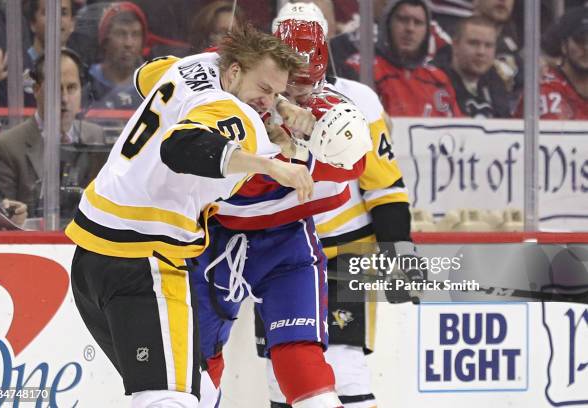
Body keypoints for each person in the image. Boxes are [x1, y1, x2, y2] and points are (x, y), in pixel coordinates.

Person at [66, 24, 312, 408]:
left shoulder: (189, 67)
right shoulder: (234, 114)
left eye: (277, 93)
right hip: (145, 261)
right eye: (265, 91)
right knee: (169, 398)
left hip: (92, 258)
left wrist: (280, 104)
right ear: (233, 74)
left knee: (192, 388)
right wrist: (272, 165)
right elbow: (182, 147)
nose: (268, 102)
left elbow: (143, 76)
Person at [253, 4, 424, 408]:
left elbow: (384, 186)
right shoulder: (252, 102)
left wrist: (398, 247)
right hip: (280, 254)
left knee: (345, 371)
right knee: (282, 378)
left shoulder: (358, 100)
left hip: (344, 253)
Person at [0, 49, 104, 220]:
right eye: (56, 88)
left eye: (71, 88)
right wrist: (8, 214)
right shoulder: (5, 146)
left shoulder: (95, 135)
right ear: (36, 90)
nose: (64, 98)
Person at [343, 0, 463, 117]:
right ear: (388, 24)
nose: (410, 29)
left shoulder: (439, 79)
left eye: (418, 22)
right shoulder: (361, 69)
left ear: (427, 31)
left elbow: (460, 131)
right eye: (403, 20)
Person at [514, 6, 588, 120]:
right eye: (580, 40)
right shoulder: (546, 89)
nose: (586, 47)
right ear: (564, 46)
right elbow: (561, 137)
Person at [439, 15, 511, 118]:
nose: (481, 52)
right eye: (473, 43)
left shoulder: (496, 84)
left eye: (488, 45)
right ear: (455, 45)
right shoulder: (436, 81)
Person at [88, 2, 147, 110]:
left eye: (135, 34)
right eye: (121, 34)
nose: (129, 43)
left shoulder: (152, 86)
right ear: (105, 40)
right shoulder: (87, 81)